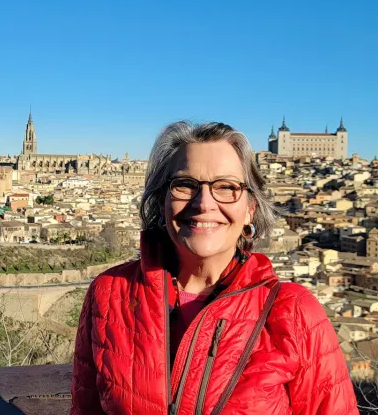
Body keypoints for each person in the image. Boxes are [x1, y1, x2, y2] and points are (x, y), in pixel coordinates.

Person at [71, 121, 359, 415]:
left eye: (226, 187)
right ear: (162, 201)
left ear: (250, 209)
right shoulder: (109, 294)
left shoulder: (296, 313)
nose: (204, 203)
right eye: (185, 185)